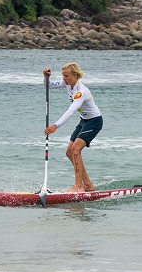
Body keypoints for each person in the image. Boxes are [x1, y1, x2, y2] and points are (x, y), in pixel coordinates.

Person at [43, 62, 103, 192]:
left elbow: (71, 110)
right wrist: (46, 77)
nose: (64, 78)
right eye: (63, 76)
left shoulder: (81, 92)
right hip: (84, 121)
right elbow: (48, 86)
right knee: (69, 152)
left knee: (75, 150)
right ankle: (87, 184)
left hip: (94, 122)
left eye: (67, 76)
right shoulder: (67, 83)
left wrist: (56, 125)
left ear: (75, 76)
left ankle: (78, 186)